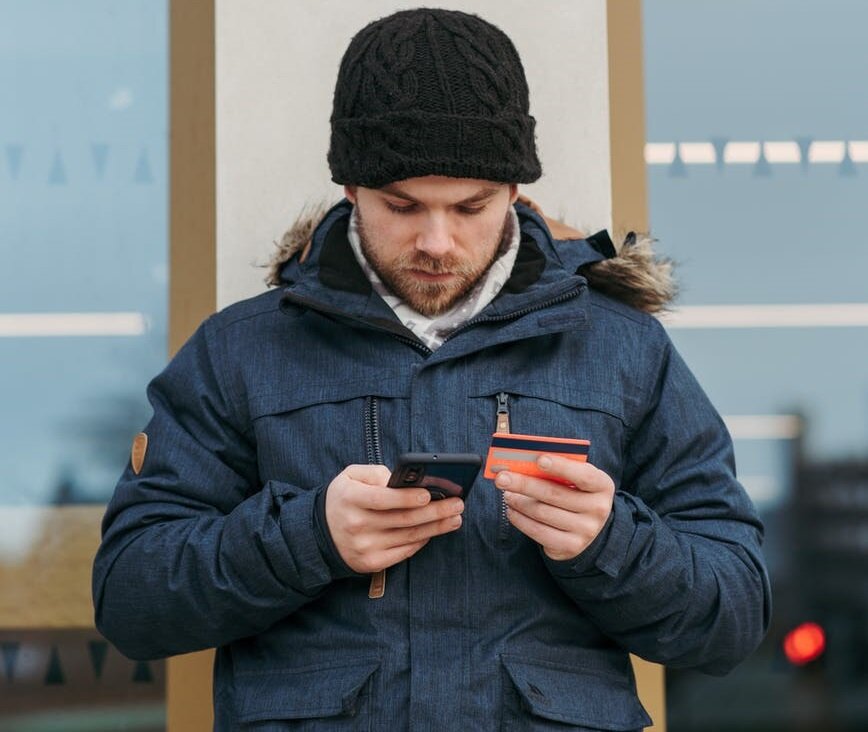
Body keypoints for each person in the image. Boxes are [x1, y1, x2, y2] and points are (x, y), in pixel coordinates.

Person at [93, 8, 770, 730]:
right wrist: (308, 536)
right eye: (404, 205)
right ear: (351, 189)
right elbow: (132, 600)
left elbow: (732, 615)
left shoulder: (621, 348)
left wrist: (612, 542)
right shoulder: (241, 350)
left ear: (514, 190)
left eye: (470, 206)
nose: (437, 241)